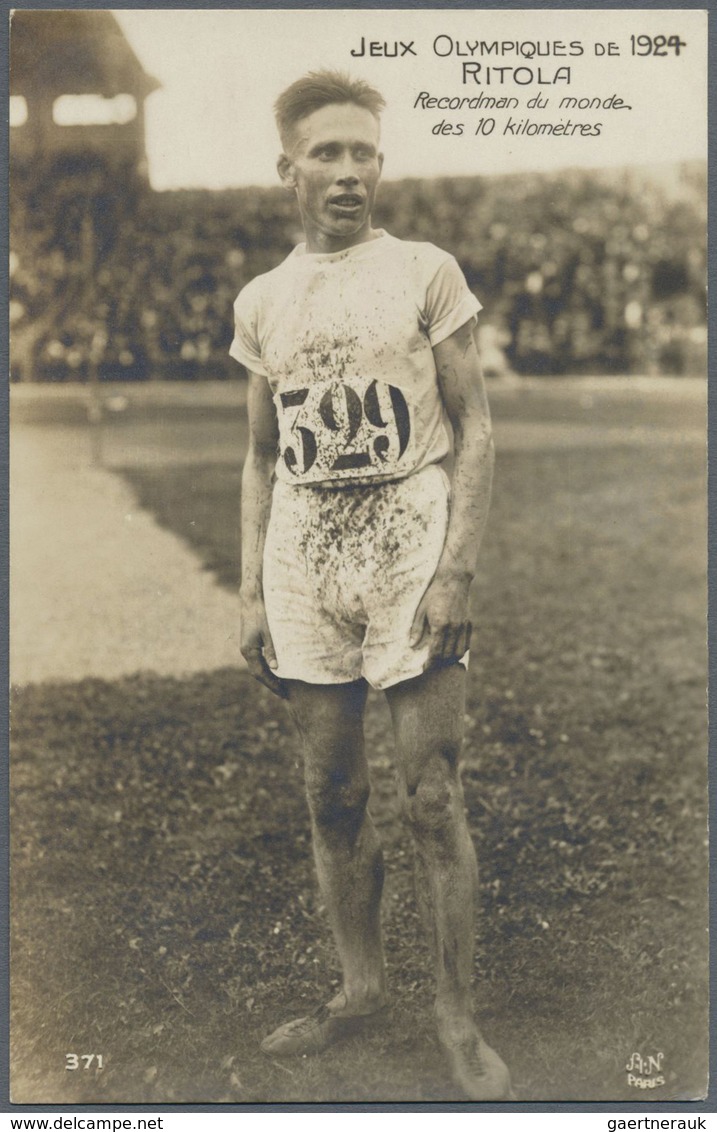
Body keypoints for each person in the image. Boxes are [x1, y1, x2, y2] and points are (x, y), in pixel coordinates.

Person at [231, 70, 512, 1101]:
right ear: (289, 169)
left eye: (364, 153)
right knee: (333, 794)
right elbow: (262, 456)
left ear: (380, 165)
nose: (348, 172)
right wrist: (256, 593)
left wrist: (457, 570)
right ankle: (358, 988)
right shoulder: (262, 298)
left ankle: (457, 1018)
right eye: (327, 153)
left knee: (433, 798)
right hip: (307, 558)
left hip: (410, 545)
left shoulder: (428, 271)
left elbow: (475, 424)